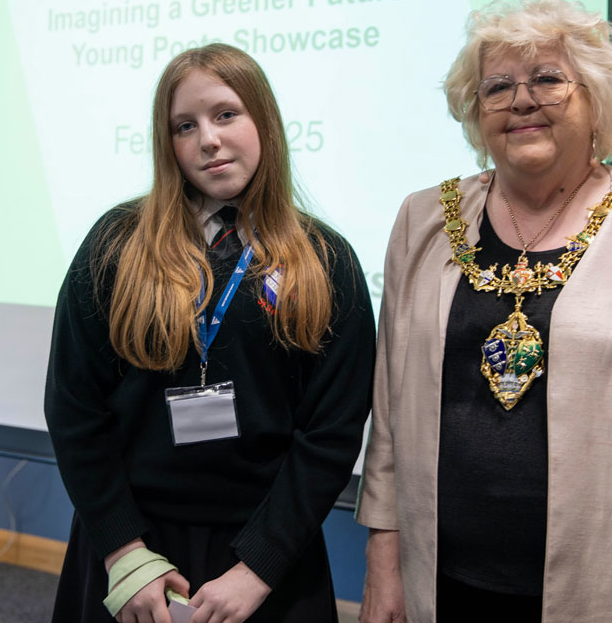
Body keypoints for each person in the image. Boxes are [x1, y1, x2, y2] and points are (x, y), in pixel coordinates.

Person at [356, 0, 612, 623]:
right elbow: (390, 412)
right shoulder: (424, 219)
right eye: (497, 87)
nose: (522, 101)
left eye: (548, 80)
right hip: (442, 584)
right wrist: (384, 562)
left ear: (597, 99)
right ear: (476, 111)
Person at [46, 43, 376, 623]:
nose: (208, 139)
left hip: (269, 558)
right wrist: (124, 550)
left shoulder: (326, 259)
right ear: (166, 143)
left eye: (226, 114)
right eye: (184, 125)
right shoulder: (115, 245)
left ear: (264, 122)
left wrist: (259, 569)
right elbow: (74, 407)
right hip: (132, 551)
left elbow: (331, 432)